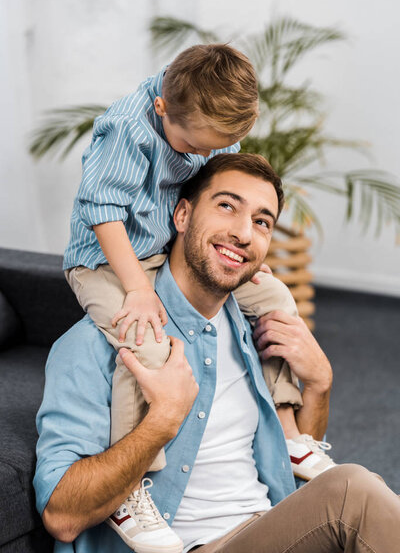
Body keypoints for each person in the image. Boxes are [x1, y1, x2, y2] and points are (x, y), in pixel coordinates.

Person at [35, 154, 400, 553]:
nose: (244, 233)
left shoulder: (253, 329)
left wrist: (318, 384)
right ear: (182, 215)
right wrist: (162, 419)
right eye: (227, 206)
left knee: (370, 499)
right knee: (354, 495)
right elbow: (61, 516)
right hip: (189, 546)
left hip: (267, 528)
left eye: (262, 222)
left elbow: (296, 470)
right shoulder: (96, 342)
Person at [62, 44, 333, 550]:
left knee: (274, 297)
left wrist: (243, 249)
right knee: (141, 337)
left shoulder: (200, 115)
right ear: (163, 106)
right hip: (106, 258)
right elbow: (102, 211)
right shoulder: (126, 130)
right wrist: (139, 289)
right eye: (190, 146)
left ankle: (291, 436)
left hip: (159, 247)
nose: (195, 155)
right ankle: (128, 496)